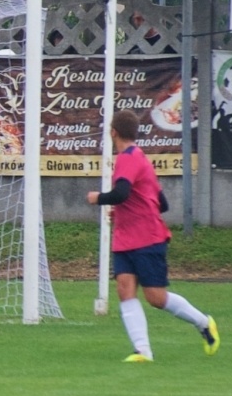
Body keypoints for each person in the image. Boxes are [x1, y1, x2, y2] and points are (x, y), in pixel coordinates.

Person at [85, 109, 219, 362]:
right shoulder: (140, 160)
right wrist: (124, 212)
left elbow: (122, 193)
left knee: (155, 298)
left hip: (147, 238)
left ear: (113, 132)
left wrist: (99, 199)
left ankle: (204, 323)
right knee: (125, 290)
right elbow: (161, 203)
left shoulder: (128, 158)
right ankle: (143, 351)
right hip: (125, 238)